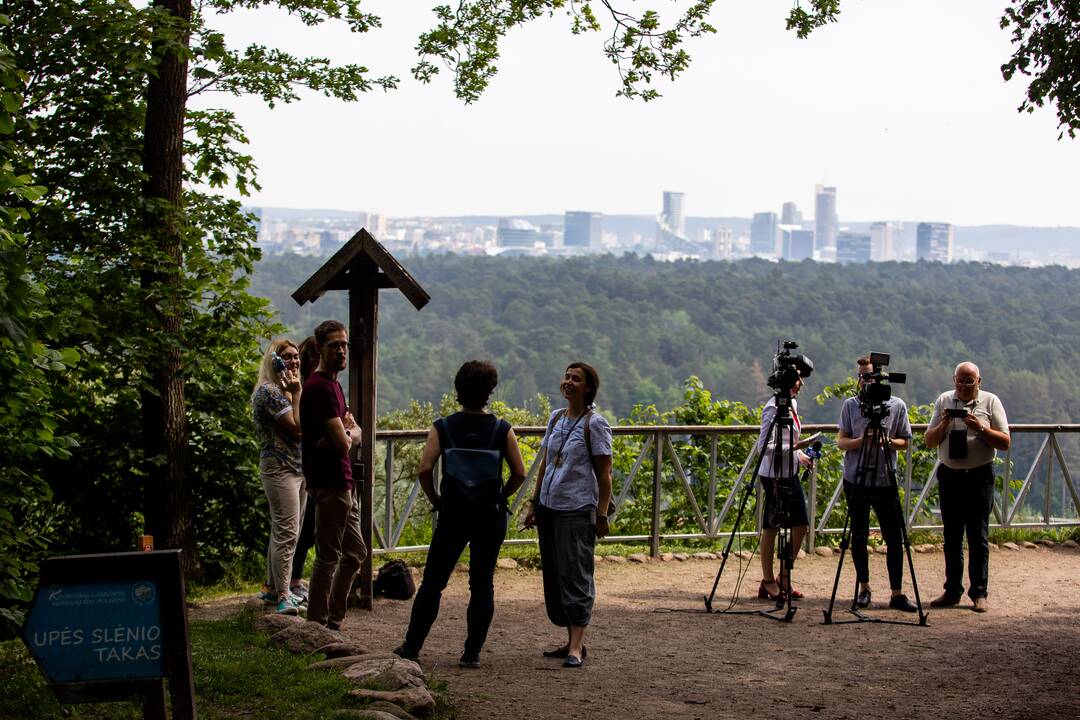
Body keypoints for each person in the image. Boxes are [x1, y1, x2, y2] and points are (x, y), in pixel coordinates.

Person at [393, 361, 527, 668]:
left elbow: (425, 469)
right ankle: (471, 653)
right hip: (489, 516)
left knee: (433, 582)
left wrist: (438, 500)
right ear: (489, 391)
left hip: (453, 514)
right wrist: (500, 495)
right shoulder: (501, 429)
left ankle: (412, 646)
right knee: (482, 584)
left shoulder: (443, 427)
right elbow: (519, 473)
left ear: (458, 389)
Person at [523, 362, 613, 669]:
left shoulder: (595, 424)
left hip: (577, 510)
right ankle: (571, 641)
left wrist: (601, 514)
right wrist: (534, 504)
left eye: (576, 379)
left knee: (576, 575)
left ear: (588, 387)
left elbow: (605, 474)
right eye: (567, 377)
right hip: (549, 507)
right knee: (557, 575)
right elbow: (546, 462)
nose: (569, 382)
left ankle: (576, 647)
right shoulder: (556, 418)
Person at [924, 362, 1010, 613]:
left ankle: (979, 593)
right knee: (951, 537)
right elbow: (929, 441)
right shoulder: (944, 401)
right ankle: (952, 591)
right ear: (953, 380)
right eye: (959, 381)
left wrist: (980, 427)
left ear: (979, 382)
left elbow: (1005, 442)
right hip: (950, 476)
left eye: (969, 382)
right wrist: (944, 424)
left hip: (979, 477)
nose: (963, 386)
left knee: (977, 537)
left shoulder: (991, 401)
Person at [836, 356, 918, 613]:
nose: (864, 381)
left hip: (885, 478)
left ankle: (897, 593)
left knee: (894, 537)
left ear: (879, 377)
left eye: (869, 376)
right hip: (856, 478)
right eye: (861, 376)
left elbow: (906, 441)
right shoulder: (851, 405)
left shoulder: (896, 405)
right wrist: (860, 441)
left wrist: (888, 443)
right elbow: (841, 442)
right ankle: (864, 588)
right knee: (858, 535)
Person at [300, 320, 366, 630]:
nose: (341, 350)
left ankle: (333, 619)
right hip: (329, 482)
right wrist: (348, 433)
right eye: (334, 345)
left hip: (343, 481)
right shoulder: (320, 388)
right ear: (321, 349)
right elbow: (344, 441)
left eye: (344, 344)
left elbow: (351, 435)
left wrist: (347, 433)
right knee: (328, 556)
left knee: (355, 553)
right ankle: (317, 624)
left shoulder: (335, 386)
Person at [251, 338, 305, 615]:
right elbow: (297, 427)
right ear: (275, 360)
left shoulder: (287, 390)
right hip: (280, 468)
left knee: (286, 531)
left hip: (297, 468)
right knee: (286, 531)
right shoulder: (270, 392)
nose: (294, 361)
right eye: (287, 356)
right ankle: (284, 594)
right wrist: (296, 394)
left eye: (296, 356)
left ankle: (274, 588)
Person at [755, 376, 813, 602]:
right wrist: (795, 448)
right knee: (771, 527)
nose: (802, 384)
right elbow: (764, 447)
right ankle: (768, 581)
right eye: (798, 379)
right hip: (772, 475)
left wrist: (801, 456)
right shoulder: (772, 408)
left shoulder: (793, 403)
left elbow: (789, 440)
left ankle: (784, 574)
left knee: (801, 525)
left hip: (790, 472)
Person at [285, 336, 321, 605]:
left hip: (306, 464)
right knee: (300, 528)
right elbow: (300, 426)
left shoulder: (309, 386)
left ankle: (294, 581)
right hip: (302, 465)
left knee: (304, 529)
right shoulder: (302, 388)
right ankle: (291, 582)